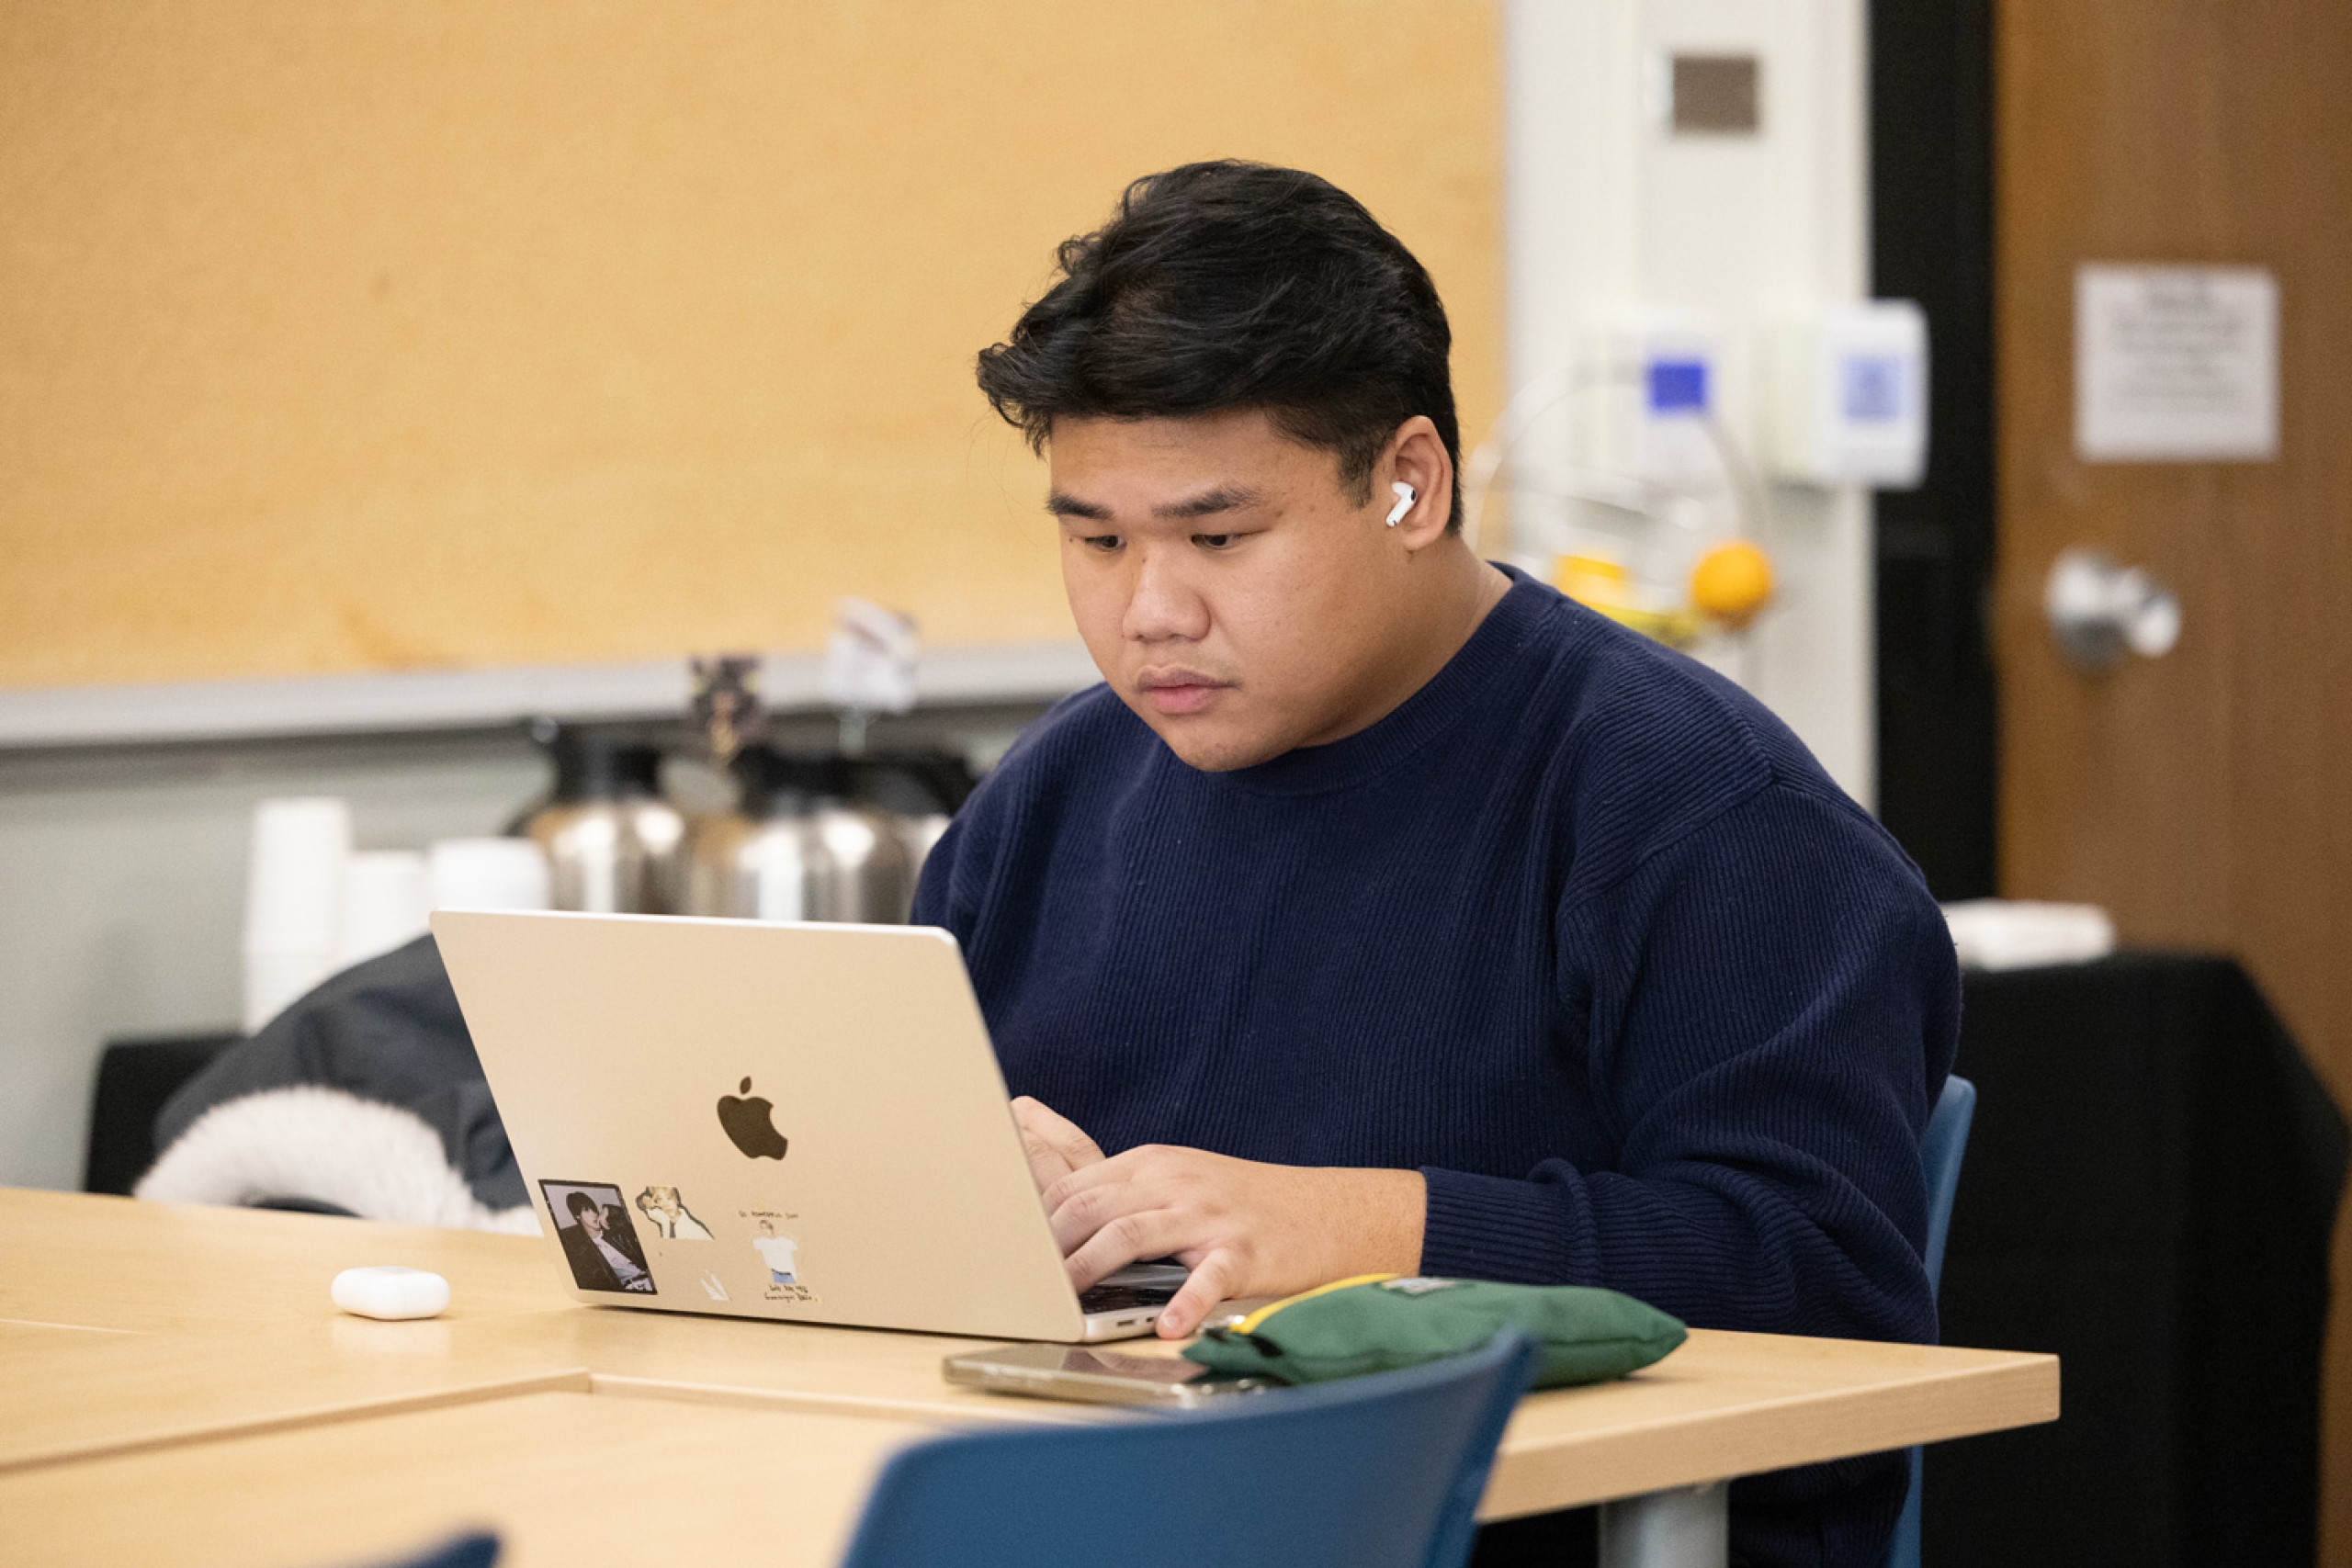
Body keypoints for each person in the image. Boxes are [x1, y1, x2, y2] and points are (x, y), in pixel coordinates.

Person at [914, 161, 1959, 1568]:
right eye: (1097, 539)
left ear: (1409, 483)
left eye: (1219, 536)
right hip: (1114, 1501)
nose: (1150, 609)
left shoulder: (1703, 812)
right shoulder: (1056, 791)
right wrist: (954, 1168)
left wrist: (1353, 1222)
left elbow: (1823, 1277)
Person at [558, 1190, 653, 1293]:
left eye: (594, 1209)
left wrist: (608, 1209)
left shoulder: (613, 1231)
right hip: (629, 1289)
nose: (594, 1214)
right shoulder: (585, 1249)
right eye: (586, 1210)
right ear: (577, 1216)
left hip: (649, 1279)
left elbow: (632, 1217)